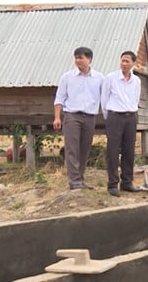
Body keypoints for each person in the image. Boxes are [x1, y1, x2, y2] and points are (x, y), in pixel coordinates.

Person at [53, 47, 104, 190]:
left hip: (90, 117)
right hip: (72, 116)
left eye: (81, 58)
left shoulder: (99, 78)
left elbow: (105, 96)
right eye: (76, 58)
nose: (77, 61)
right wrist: (57, 117)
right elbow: (59, 98)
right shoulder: (67, 77)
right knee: (72, 148)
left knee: (84, 148)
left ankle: (80, 179)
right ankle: (74, 181)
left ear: (89, 59)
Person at [101, 51, 142, 197]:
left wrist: (131, 112)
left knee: (129, 150)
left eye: (127, 61)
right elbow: (104, 99)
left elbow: (135, 99)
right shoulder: (111, 78)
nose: (124, 64)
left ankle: (127, 182)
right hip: (115, 116)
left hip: (130, 117)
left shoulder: (136, 81)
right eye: (122, 61)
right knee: (112, 151)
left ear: (133, 64)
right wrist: (110, 116)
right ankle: (112, 183)